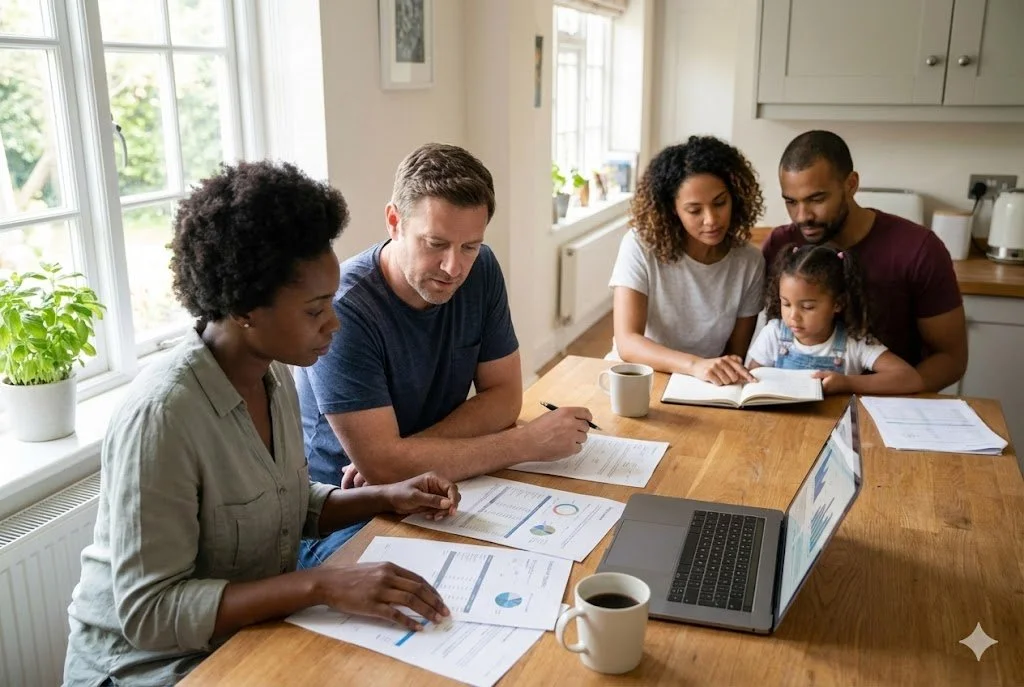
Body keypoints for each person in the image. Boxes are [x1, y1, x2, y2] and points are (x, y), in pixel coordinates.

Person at [63, 161, 461, 686]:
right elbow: (150, 613)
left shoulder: (272, 373)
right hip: (151, 669)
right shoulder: (164, 417)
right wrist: (320, 586)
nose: (334, 323)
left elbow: (284, 507)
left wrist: (387, 495)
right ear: (247, 309)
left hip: (249, 636)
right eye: (316, 310)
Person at [295, 143, 593, 568]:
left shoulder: (482, 268)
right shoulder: (346, 310)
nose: (454, 267)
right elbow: (380, 469)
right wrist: (525, 442)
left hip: (448, 489)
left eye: (469, 246)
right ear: (394, 222)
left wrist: (401, 457)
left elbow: (505, 398)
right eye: (436, 243)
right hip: (349, 516)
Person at [762, 130, 967, 392]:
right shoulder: (781, 246)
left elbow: (951, 359)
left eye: (817, 199)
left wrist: (885, 390)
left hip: (893, 404)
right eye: (791, 202)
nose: (802, 216)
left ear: (851, 184)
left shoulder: (919, 250)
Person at [608, 135, 767, 385]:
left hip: (703, 385)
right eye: (695, 210)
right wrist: (694, 365)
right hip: (636, 377)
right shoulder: (640, 245)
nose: (711, 219)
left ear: (735, 197)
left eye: (720, 203)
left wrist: (708, 373)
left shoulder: (750, 262)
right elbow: (628, 341)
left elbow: (734, 355)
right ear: (672, 209)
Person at [748, 244, 923, 394]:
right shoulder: (774, 334)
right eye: (786, 304)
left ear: (838, 303)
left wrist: (847, 383)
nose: (793, 316)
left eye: (808, 307)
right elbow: (752, 381)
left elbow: (911, 379)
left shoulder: (853, 342)